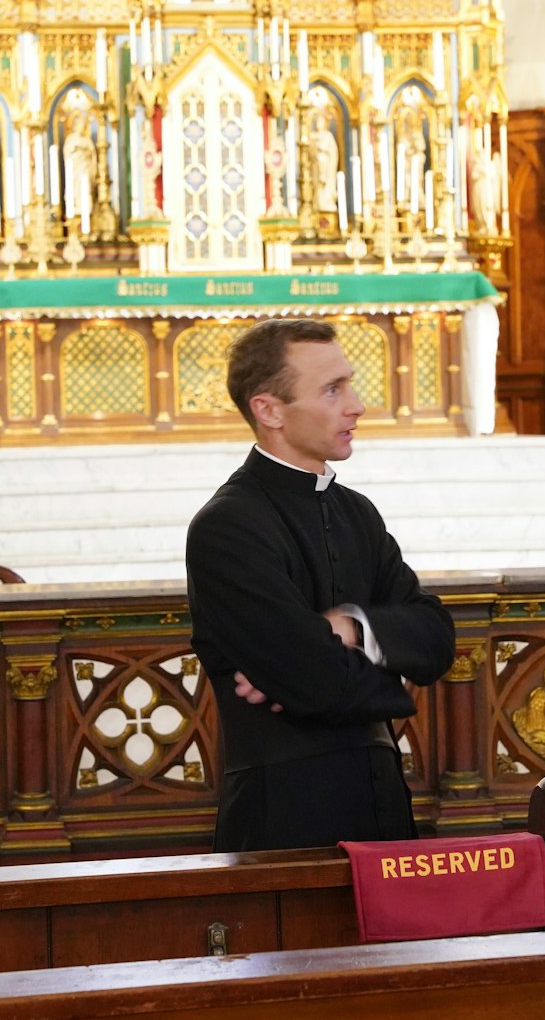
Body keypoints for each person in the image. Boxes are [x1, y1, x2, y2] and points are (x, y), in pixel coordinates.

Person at [186, 319, 454, 852]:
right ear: (269, 410)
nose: (356, 405)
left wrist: (352, 629)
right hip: (286, 818)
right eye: (333, 390)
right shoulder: (226, 526)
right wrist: (393, 682)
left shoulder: (358, 513)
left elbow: (438, 639)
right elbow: (315, 681)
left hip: (384, 807)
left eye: (349, 385)